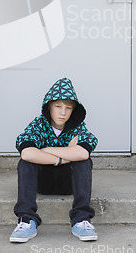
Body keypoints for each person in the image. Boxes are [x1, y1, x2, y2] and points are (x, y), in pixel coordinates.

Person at [10, 77, 98, 243]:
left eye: (68, 108)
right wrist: (63, 156)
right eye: (58, 106)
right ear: (49, 107)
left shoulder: (78, 127)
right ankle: (27, 220)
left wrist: (48, 150)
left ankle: (81, 219)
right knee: (25, 163)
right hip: (42, 182)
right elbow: (27, 153)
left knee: (84, 162)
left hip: (69, 183)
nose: (63, 112)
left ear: (73, 111)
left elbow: (83, 153)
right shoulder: (39, 125)